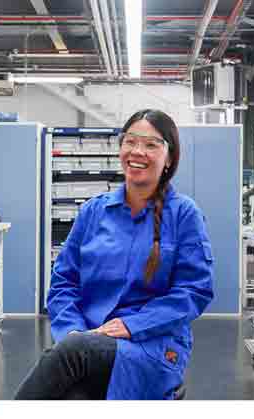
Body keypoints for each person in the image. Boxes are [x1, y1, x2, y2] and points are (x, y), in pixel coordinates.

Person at [14, 109, 215, 400]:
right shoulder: (93, 211)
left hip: (153, 345)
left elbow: (194, 291)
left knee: (71, 357)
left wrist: (131, 325)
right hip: (88, 342)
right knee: (71, 393)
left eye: (151, 144)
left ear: (170, 158)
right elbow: (64, 283)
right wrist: (72, 331)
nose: (138, 151)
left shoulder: (184, 214)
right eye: (130, 141)